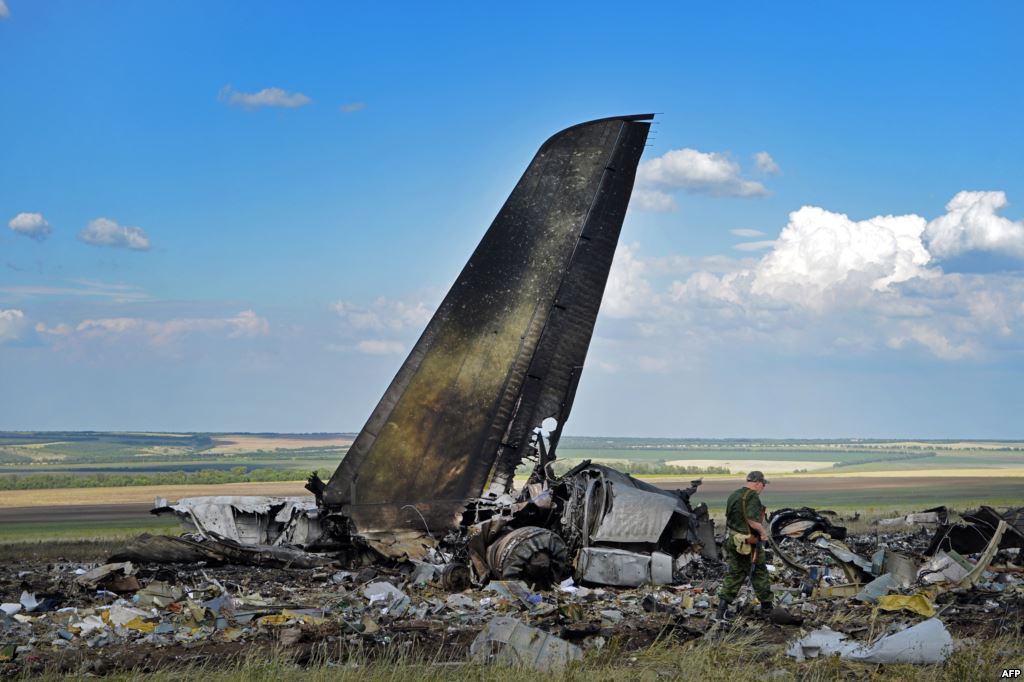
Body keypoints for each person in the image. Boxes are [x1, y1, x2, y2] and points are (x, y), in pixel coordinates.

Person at [715, 470, 773, 621]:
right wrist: (763, 533)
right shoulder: (752, 496)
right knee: (759, 573)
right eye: (763, 485)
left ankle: (721, 610)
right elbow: (752, 520)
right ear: (758, 483)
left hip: (733, 540)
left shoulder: (734, 495)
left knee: (735, 573)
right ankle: (767, 610)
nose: (763, 488)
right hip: (748, 543)